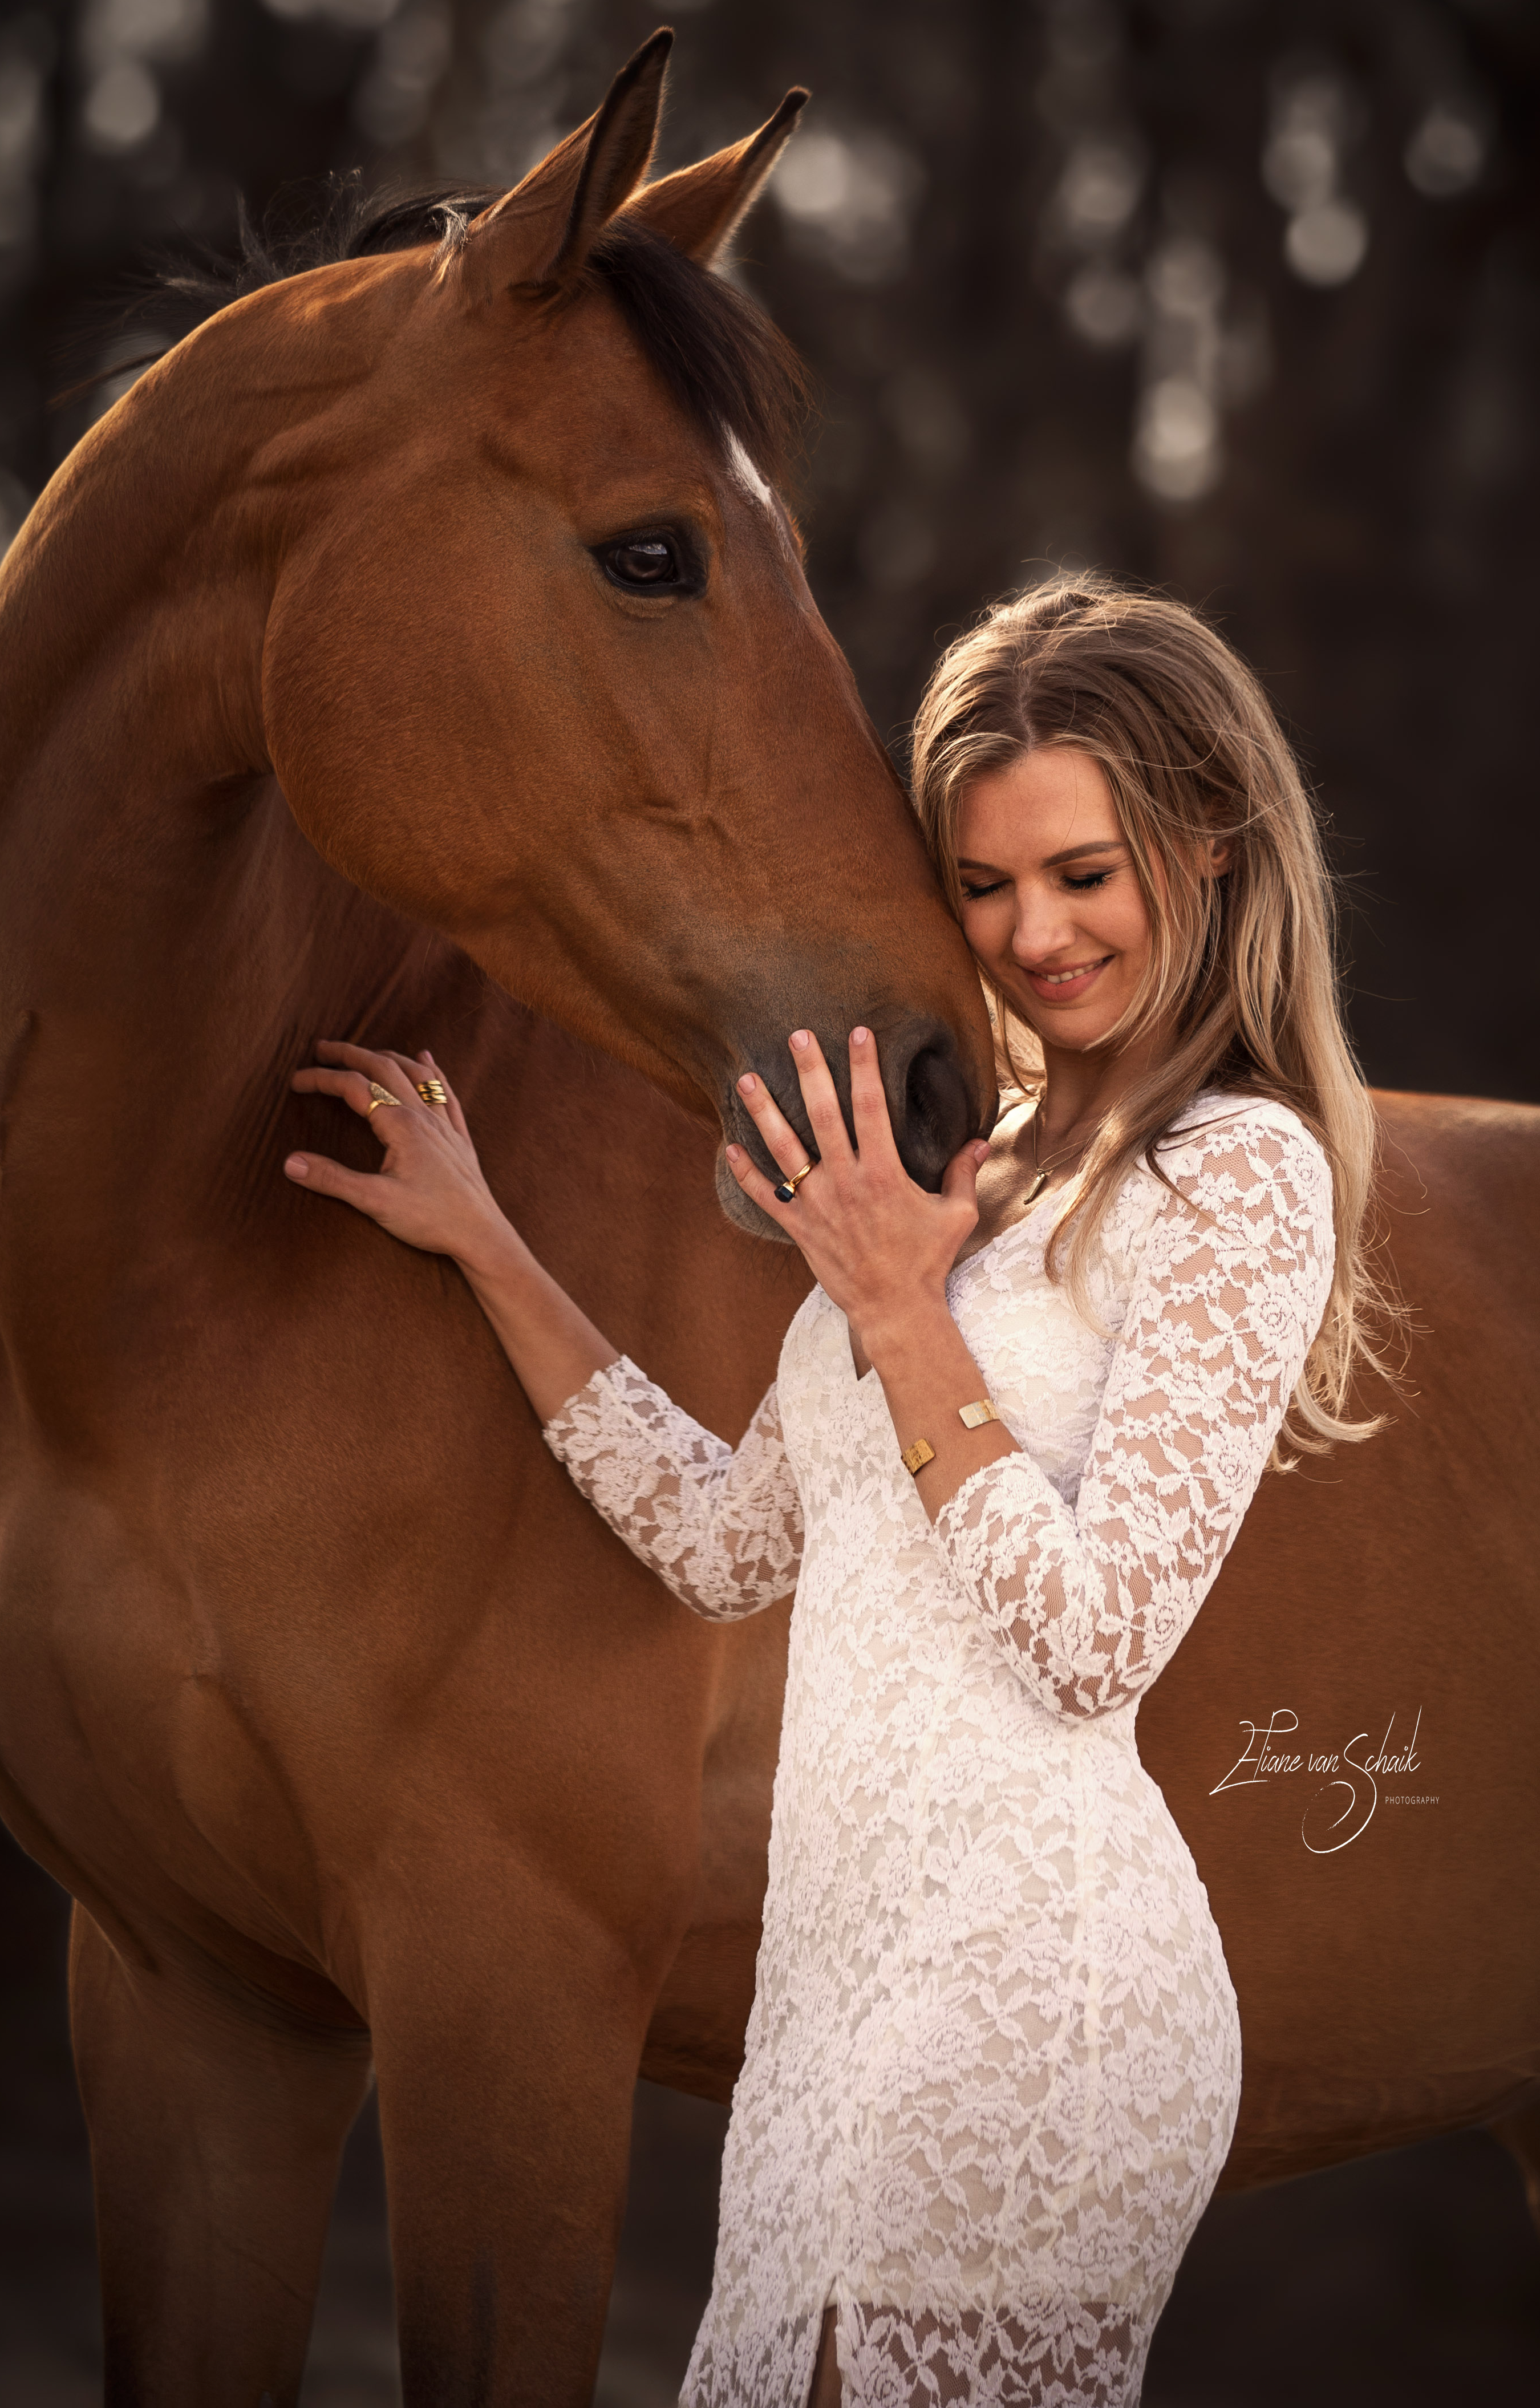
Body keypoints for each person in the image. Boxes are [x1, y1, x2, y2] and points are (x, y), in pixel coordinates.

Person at [282, 575, 1389, 2407]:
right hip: (832, 2010)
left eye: (1082, 871)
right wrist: (485, 1236)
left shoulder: (1238, 1174)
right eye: (981, 883)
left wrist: (892, 1308)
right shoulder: (969, 1171)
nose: (1030, 932)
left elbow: (1092, 1640)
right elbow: (726, 1543)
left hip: (1038, 1994)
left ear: (1202, 848)